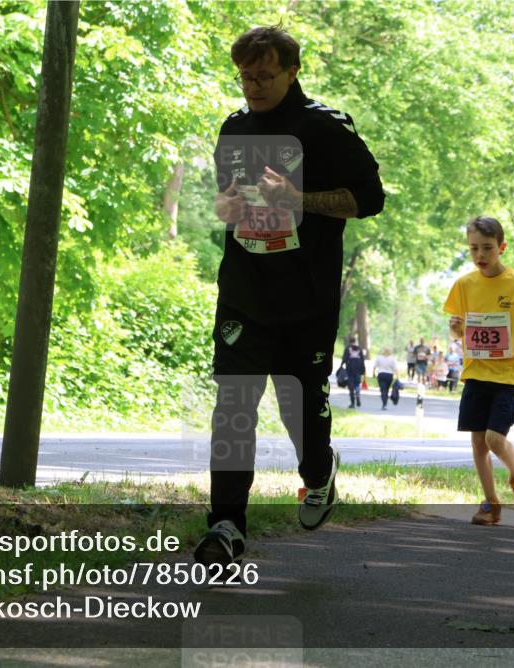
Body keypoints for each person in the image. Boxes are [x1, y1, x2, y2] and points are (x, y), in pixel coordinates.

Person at [195, 25, 385, 566]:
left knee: (296, 406)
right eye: (245, 77)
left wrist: (299, 199)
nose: (253, 87)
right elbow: (226, 202)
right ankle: (227, 526)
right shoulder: (233, 129)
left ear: (292, 70)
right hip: (243, 294)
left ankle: (318, 470)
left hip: (305, 297)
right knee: (233, 407)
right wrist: (225, 210)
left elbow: (369, 199)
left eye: (265, 76)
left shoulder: (323, 128)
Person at [444, 216, 514, 526]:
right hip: (476, 372)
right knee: (478, 443)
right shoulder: (464, 284)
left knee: (494, 438)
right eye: (474, 248)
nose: (480, 255)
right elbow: (460, 332)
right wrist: (456, 329)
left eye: (487, 248)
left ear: (501, 248)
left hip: (508, 376)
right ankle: (491, 505)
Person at [341, 336, 367, 408]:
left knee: (351, 387)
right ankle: (358, 396)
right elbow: (362, 360)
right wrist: (363, 370)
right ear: (355, 341)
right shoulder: (359, 349)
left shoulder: (347, 348)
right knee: (357, 384)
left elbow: (344, 358)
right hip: (358, 370)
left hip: (349, 370)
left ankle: (352, 403)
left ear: (349, 341)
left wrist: (341, 366)